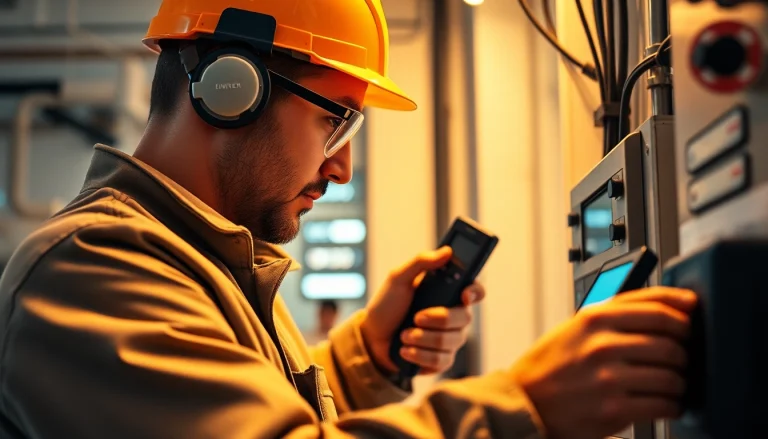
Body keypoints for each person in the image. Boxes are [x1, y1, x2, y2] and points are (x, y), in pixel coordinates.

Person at [0, 1, 697, 438]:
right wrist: (532, 405)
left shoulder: (205, 263)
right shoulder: (91, 269)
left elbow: (261, 413)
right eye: (333, 123)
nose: (342, 168)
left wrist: (369, 356)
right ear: (230, 89)